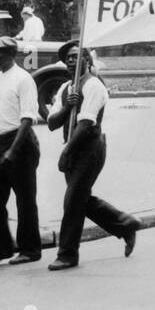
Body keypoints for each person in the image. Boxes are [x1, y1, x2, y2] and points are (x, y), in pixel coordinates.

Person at [45, 41, 139, 270]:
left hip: (90, 148)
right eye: (67, 57)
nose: (70, 60)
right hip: (73, 148)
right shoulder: (66, 88)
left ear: (87, 61)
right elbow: (51, 123)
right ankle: (124, 223)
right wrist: (67, 107)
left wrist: (67, 151)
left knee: (72, 200)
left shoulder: (94, 85)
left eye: (76, 56)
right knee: (80, 199)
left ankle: (67, 254)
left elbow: (86, 123)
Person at [0, 35, 42, 266]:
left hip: (20, 143)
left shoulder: (23, 79)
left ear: (10, 55)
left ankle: (30, 249)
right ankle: (2, 247)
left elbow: (27, 118)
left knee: (24, 199)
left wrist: (13, 151)